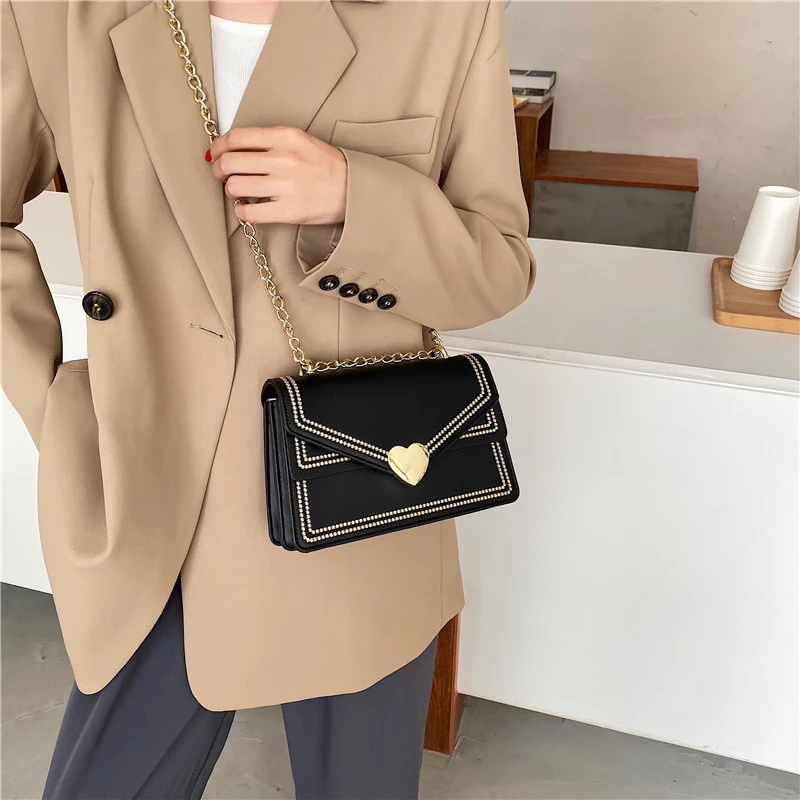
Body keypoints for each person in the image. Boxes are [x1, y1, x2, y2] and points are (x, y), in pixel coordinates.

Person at [1, 0, 536, 796]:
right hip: (151, 504)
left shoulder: (446, 13)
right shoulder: (50, 11)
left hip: (355, 501)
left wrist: (357, 197)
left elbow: (498, 268)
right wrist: (60, 406)